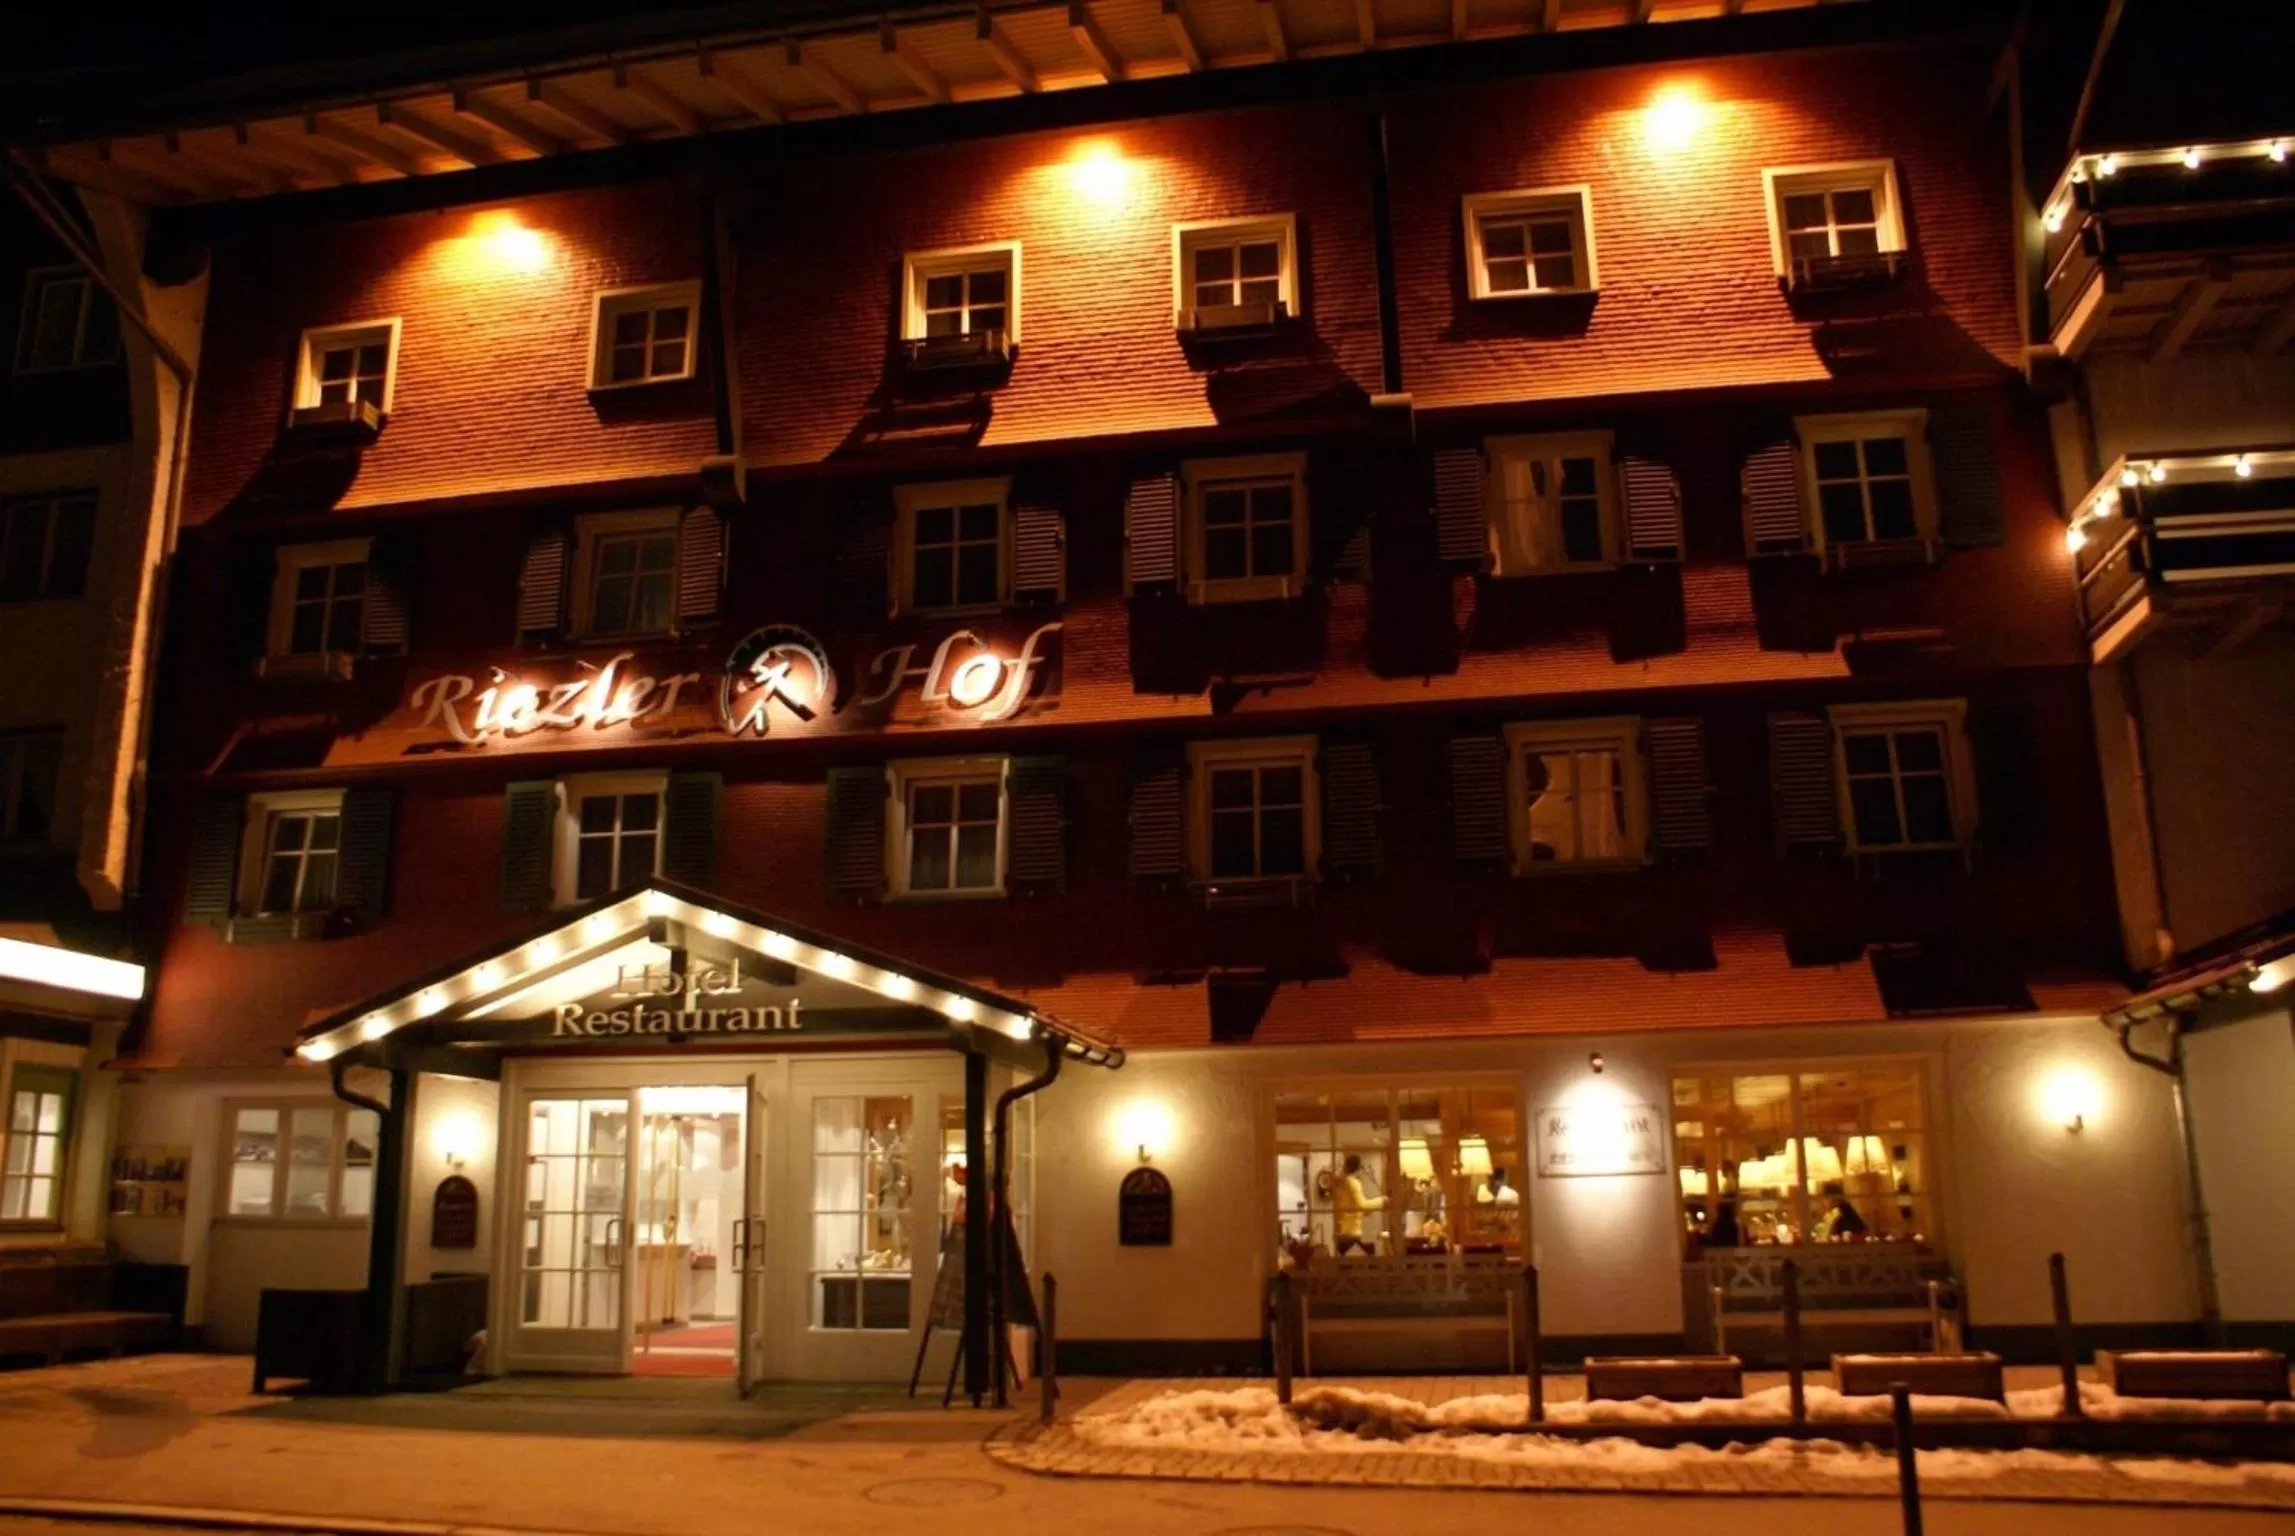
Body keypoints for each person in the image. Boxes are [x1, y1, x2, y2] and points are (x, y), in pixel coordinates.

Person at [1332, 1153, 1386, 1256]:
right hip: (1351, 1232)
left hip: (1342, 1231)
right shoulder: (1352, 1182)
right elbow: (1361, 1205)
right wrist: (1382, 1201)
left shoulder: (1340, 1183)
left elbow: (1350, 1205)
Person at [1704, 1160, 1743, 1248]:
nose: (1720, 1171)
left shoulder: (1729, 1183)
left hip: (1726, 1221)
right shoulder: (1730, 1183)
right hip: (1727, 1221)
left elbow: (1727, 1202)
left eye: (1722, 1169)